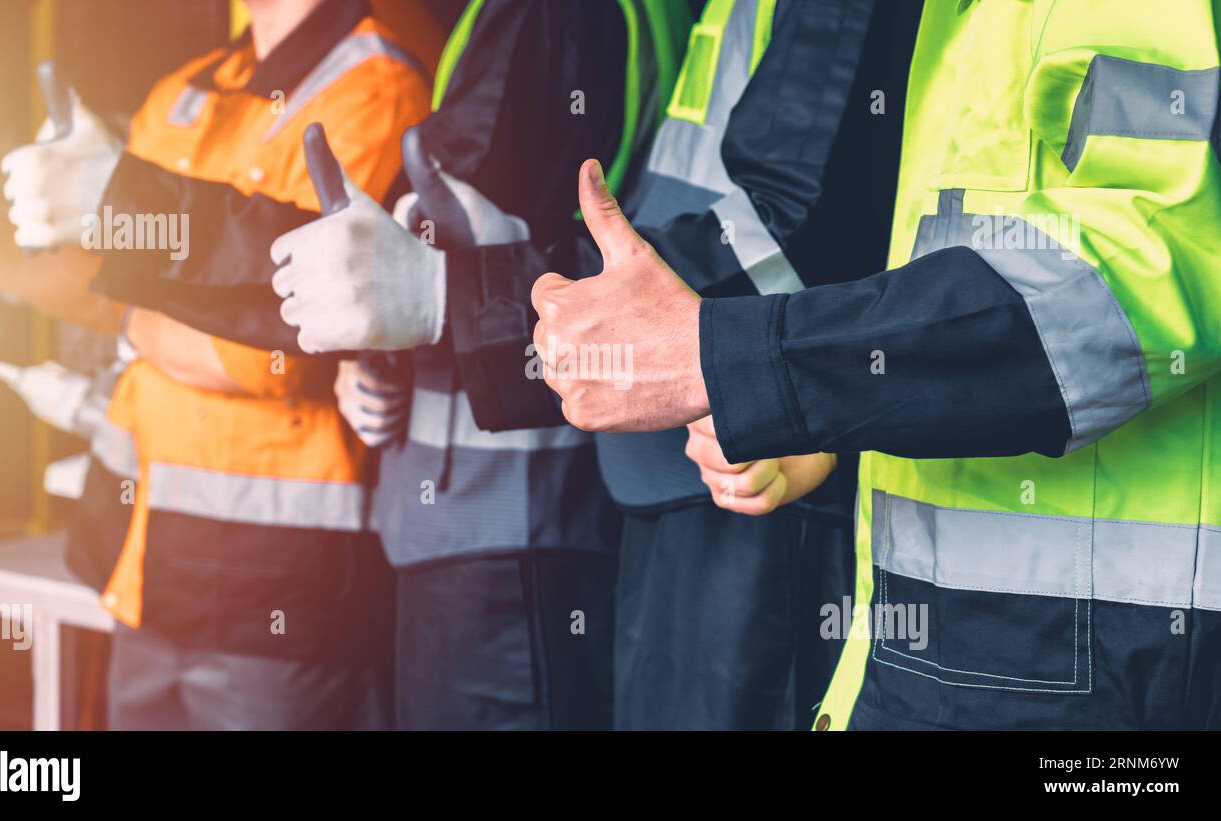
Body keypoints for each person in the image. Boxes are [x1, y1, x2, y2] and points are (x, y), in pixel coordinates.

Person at [533, 0, 1221, 730]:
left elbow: (1134, 276)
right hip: (948, 659)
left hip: (1114, 670)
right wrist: (826, 420)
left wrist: (742, 363)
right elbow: (958, 296)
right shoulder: (945, 23)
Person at [279, 0, 919, 729]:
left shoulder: (555, 17)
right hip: (657, 481)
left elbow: (785, 232)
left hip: (725, 495)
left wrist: (442, 296)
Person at [0, 0, 441, 729]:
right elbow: (102, 295)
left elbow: (284, 349)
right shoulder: (181, 91)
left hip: (285, 596)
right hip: (146, 567)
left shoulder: (377, 86)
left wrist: (139, 322)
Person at [264, 0, 690, 729]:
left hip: (498, 529)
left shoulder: (539, 17)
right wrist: (380, 351)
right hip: (517, 518)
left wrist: (387, 320)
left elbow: (433, 249)